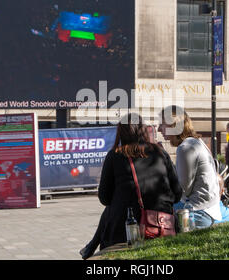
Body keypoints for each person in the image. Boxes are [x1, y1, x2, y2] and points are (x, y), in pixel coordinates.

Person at [94, 113, 182, 251]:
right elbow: (177, 194)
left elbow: (104, 198)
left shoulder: (115, 156)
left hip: (126, 229)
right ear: (144, 130)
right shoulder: (161, 153)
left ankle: (91, 246)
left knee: (109, 214)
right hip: (162, 225)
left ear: (121, 132)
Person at [158, 105, 222, 228]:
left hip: (198, 212)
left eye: (162, 124)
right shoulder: (195, 142)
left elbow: (182, 190)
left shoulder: (186, 147)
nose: (159, 129)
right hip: (208, 209)